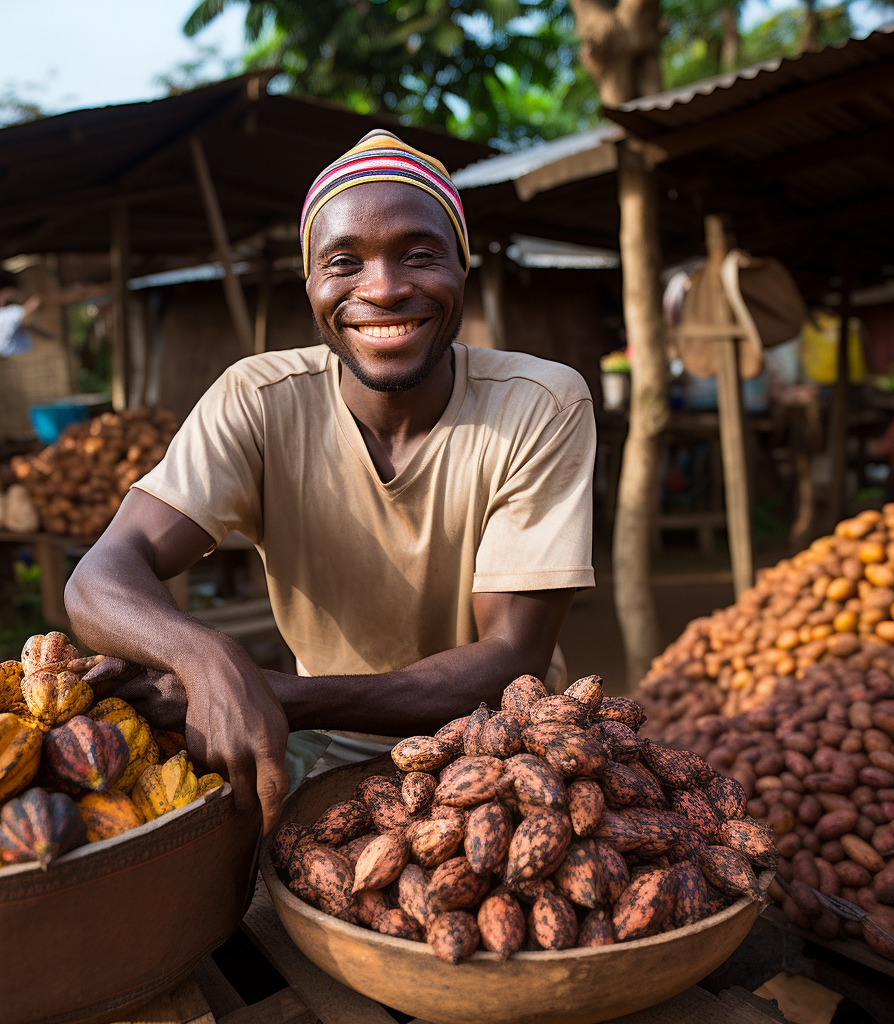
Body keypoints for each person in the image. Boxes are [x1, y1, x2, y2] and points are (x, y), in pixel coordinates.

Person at [65, 130, 596, 834]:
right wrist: (207, 654)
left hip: (504, 746)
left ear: (462, 267)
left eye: (419, 254)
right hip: (324, 741)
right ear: (312, 285)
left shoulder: (540, 402)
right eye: (344, 261)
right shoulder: (258, 398)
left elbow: (510, 658)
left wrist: (275, 693)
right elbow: (100, 576)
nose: (382, 288)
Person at [0, 287, 46, 356]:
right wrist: (40, 297)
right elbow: (28, 309)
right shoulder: (11, 311)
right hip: (14, 353)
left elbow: (28, 325)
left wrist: (44, 334)